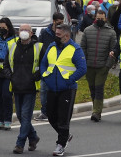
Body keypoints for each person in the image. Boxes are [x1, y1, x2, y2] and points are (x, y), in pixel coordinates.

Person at [40, 24, 87, 156]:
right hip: (52, 87)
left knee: (63, 118)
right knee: (50, 115)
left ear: (66, 36)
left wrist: (69, 80)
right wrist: (45, 76)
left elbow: (82, 68)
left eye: (58, 35)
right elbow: (43, 63)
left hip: (67, 89)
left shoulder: (75, 49)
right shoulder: (51, 46)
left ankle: (60, 144)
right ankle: (65, 135)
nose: (56, 36)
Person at [8, 24, 43, 154]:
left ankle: (20, 143)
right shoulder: (12, 46)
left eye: (26, 30)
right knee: (20, 115)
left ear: (31, 33)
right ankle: (33, 137)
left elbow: (43, 64)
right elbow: (6, 63)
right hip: (16, 86)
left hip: (30, 87)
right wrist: (10, 76)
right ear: (18, 32)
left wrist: (36, 76)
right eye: (21, 30)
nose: (23, 32)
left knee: (25, 115)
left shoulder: (39, 47)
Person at [80, 9, 117, 122]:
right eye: (98, 18)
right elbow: (82, 48)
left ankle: (97, 112)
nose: (100, 20)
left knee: (99, 88)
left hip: (102, 66)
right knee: (92, 89)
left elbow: (113, 50)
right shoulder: (87, 30)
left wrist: (107, 65)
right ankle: (95, 108)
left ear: (105, 18)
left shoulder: (111, 32)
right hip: (89, 65)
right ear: (95, 18)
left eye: (102, 18)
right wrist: (83, 62)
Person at [35, 12, 65, 121]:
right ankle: (45, 112)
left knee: (57, 91)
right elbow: (39, 48)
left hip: (60, 68)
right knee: (44, 91)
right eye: (59, 22)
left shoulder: (65, 32)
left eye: (62, 22)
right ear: (54, 21)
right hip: (46, 67)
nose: (60, 24)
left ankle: (56, 112)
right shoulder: (45, 33)